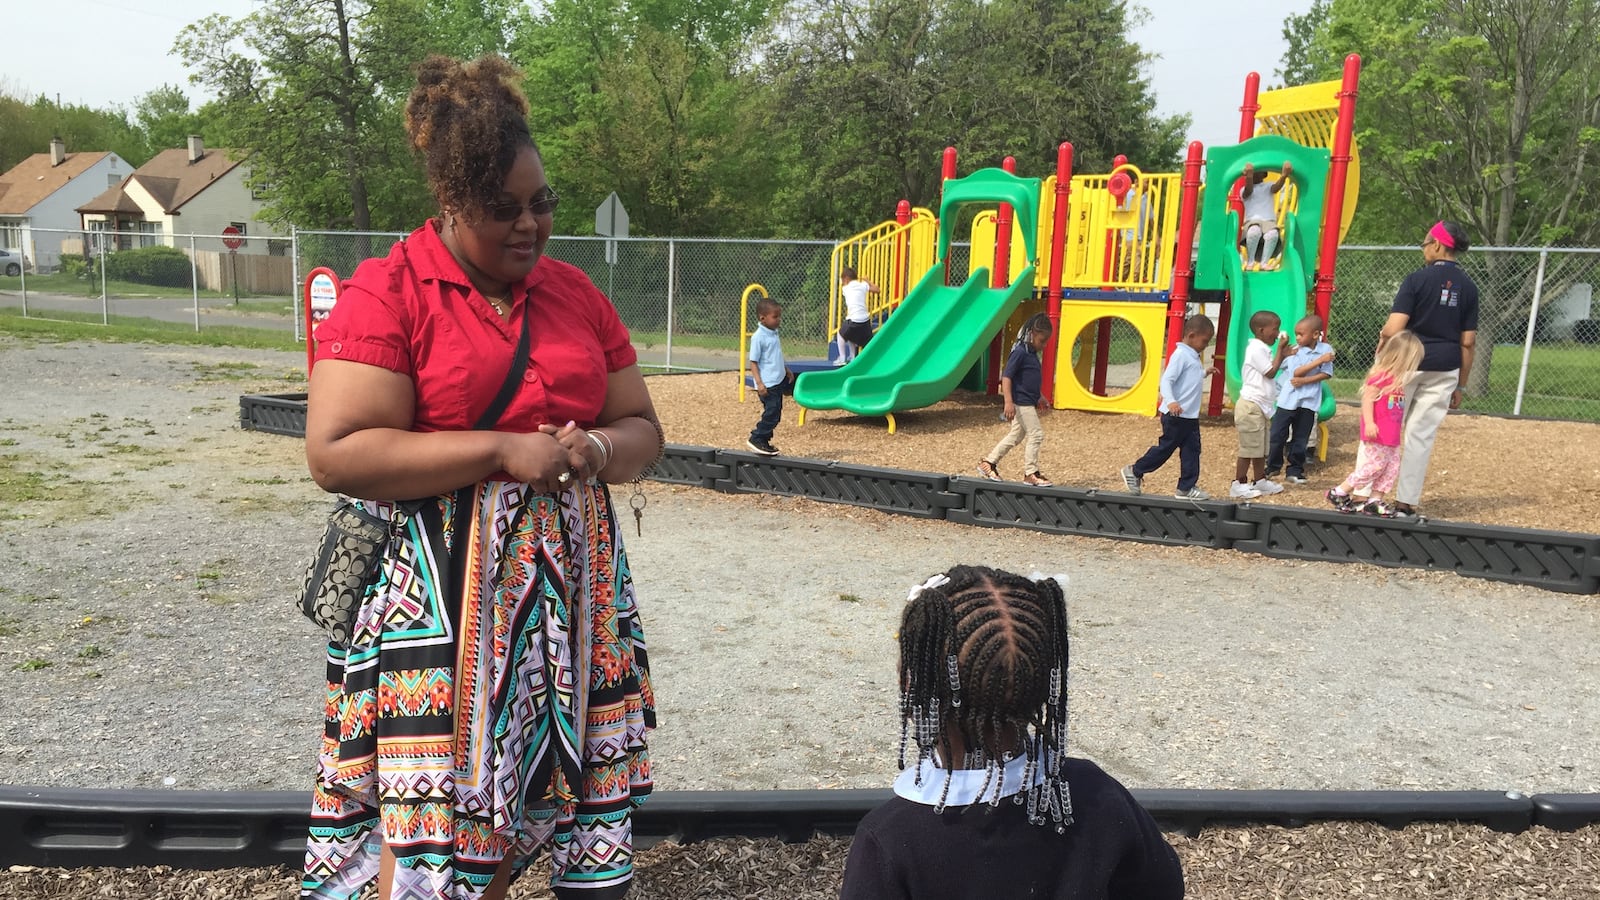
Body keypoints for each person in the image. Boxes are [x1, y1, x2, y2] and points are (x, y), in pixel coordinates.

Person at [300, 55, 664, 900]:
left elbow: (642, 426)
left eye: (542, 203)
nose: (530, 226)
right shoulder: (390, 293)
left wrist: (596, 451)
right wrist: (501, 449)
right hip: (439, 597)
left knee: (522, 794)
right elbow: (338, 452)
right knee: (432, 805)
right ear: (451, 203)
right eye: (504, 209)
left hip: (566, 591)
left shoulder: (574, 295)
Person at [839, 566, 1185, 900]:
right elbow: (1161, 888)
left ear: (910, 683)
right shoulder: (1097, 793)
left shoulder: (889, 840)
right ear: (1040, 685)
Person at [1376, 220, 1479, 518]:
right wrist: (1461, 383)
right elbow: (1468, 342)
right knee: (1420, 435)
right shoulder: (1470, 288)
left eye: (1425, 243)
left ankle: (1367, 493)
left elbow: (1394, 327)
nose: (1424, 249)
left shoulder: (1416, 280)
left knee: (1385, 427)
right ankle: (1406, 503)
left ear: (1436, 245)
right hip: (1445, 366)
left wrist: (1382, 344)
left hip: (1405, 362)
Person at [1326, 331, 1425, 518]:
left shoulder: (1399, 381)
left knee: (1391, 468)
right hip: (1377, 434)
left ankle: (1375, 500)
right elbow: (1367, 400)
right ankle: (1339, 491)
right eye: (1413, 360)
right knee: (1373, 467)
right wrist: (1370, 423)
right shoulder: (1380, 377)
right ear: (1401, 358)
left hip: (1391, 436)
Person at [1121, 314, 1218, 500]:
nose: (1206, 345)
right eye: (1204, 341)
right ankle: (1135, 471)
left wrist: (1204, 372)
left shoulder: (1192, 356)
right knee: (1165, 448)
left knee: (1192, 450)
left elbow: (1190, 377)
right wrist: (1171, 400)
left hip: (1188, 416)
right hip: (1175, 415)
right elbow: (1167, 380)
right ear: (1191, 336)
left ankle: (1186, 487)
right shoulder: (1181, 355)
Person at [977, 313, 1055, 487]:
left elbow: (1028, 380)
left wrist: (1040, 396)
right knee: (1036, 434)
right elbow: (1007, 377)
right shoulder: (1019, 352)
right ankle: (1031, 473)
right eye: (1042, 340)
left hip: (1028, 400)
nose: (1044, 345)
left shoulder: (1031, 353)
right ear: (1032, 334)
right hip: (1021, 403)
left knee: (1015, 436)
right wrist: (1008, 402)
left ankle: (988, 463)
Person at [1266, 315, 1336, 484]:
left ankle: (1295, 470)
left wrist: (1305, 381)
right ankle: (1273, 466)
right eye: (1296, 334)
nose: (1297, 337)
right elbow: (1296, 373)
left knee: (1301, 438)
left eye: (1301, 334)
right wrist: (1318, 361)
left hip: (1309, 401)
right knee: (1277, 434)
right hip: (1288, 400)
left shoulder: (1326, 349)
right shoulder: (1295, 350)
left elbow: (1326, 373)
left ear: (1315, 335)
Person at [1232, 310, 1290, 499]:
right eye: (1275, 329)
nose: (1277, 332)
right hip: (1250, 406)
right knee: (1249, 448)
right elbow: (1270, 372)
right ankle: (1238, 483)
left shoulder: (1263, 349)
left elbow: (1273, 367)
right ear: (1261, 330)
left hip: (1260, 407)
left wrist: (1284, 354)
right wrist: (1281, 350)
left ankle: (1260, 480)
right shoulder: (1255, 349)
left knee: (1260, 448)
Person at [747, 297, 793, 456]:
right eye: (775, 317)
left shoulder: (773, 333)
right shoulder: (758, 337)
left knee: (775, 412)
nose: (778, 320)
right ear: (762, 318)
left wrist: (786, 369)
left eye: (779, 316)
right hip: (767, 384)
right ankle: (757, 437)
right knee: (772, 412)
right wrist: (759, 383)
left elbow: (775, 355)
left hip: (777, 380)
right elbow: (753, 362)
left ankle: (764, 441)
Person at [1240, 162, 1291, 271]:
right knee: (1254, 231)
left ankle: (1264, 263)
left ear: (1264, 174)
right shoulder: (1244, 189)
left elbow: (1276, 188)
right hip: (1252, 220)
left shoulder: (1268, 186)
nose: (1255, 174)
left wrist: (1284, 175)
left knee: (1272, 234)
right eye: (1254, 173)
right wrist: (1249, 176)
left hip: (1268, 220)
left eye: (1258, 172)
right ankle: (1250, 261)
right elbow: (1248, 192)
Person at [836, 267, 880, 364]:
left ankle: (842, 358)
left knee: (840, 335)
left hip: (854, 319)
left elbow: (844, 284)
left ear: (846, 279)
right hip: (865, 320)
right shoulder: (863, 285)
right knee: (853, 337)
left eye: (843, 280)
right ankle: (853, 358)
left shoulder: (845, 288)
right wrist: (867, 280)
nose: (842, 283)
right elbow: (877, 290)